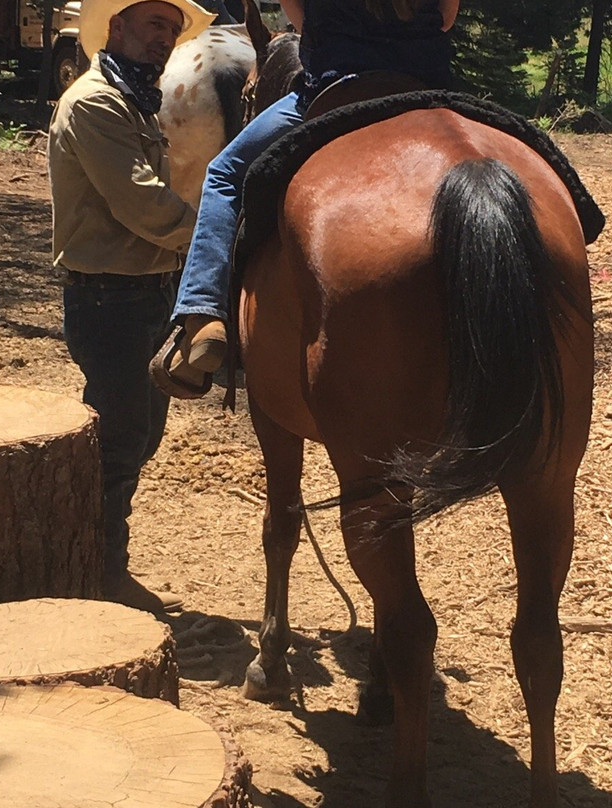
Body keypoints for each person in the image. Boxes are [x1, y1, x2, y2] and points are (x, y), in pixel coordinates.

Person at [158, 0, 460, 395]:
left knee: (225, 175)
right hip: (426, 90)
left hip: (336, 87)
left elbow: (301, 22)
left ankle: (203, 314)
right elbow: (445, 20)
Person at [47, 0, 213, 612]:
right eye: (153, 25)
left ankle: (97, 565)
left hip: (142, 291)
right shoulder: (95, 103)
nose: (164, 39)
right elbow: (143, 204)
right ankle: (100, 576)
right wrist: (218, 236)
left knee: (138, 437)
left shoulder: (132, 98)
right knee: (117, 444)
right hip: (110, 297)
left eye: (172, 29)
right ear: (115, 28)